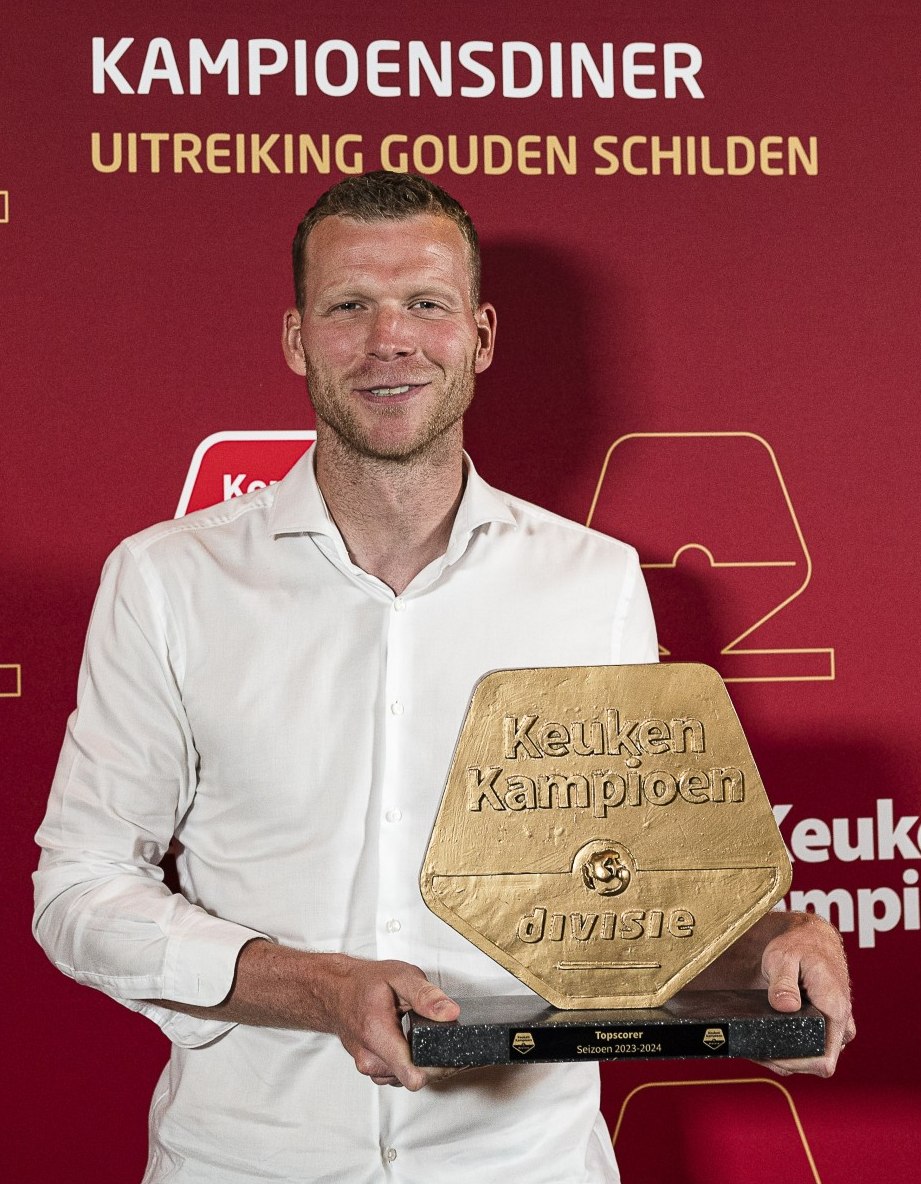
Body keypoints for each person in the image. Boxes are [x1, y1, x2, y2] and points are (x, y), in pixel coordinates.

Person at [33, 172, 854, 1184]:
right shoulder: (165, 579)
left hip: (525, 1161)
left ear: (481, 333)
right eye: (349, 306)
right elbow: (79, 886)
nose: (391, 338)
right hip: (244, 1160)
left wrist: (771, 949)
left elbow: (634, 903)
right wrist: (314, 985)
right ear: (297, 338)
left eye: (425, 302)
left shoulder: (591, 582)